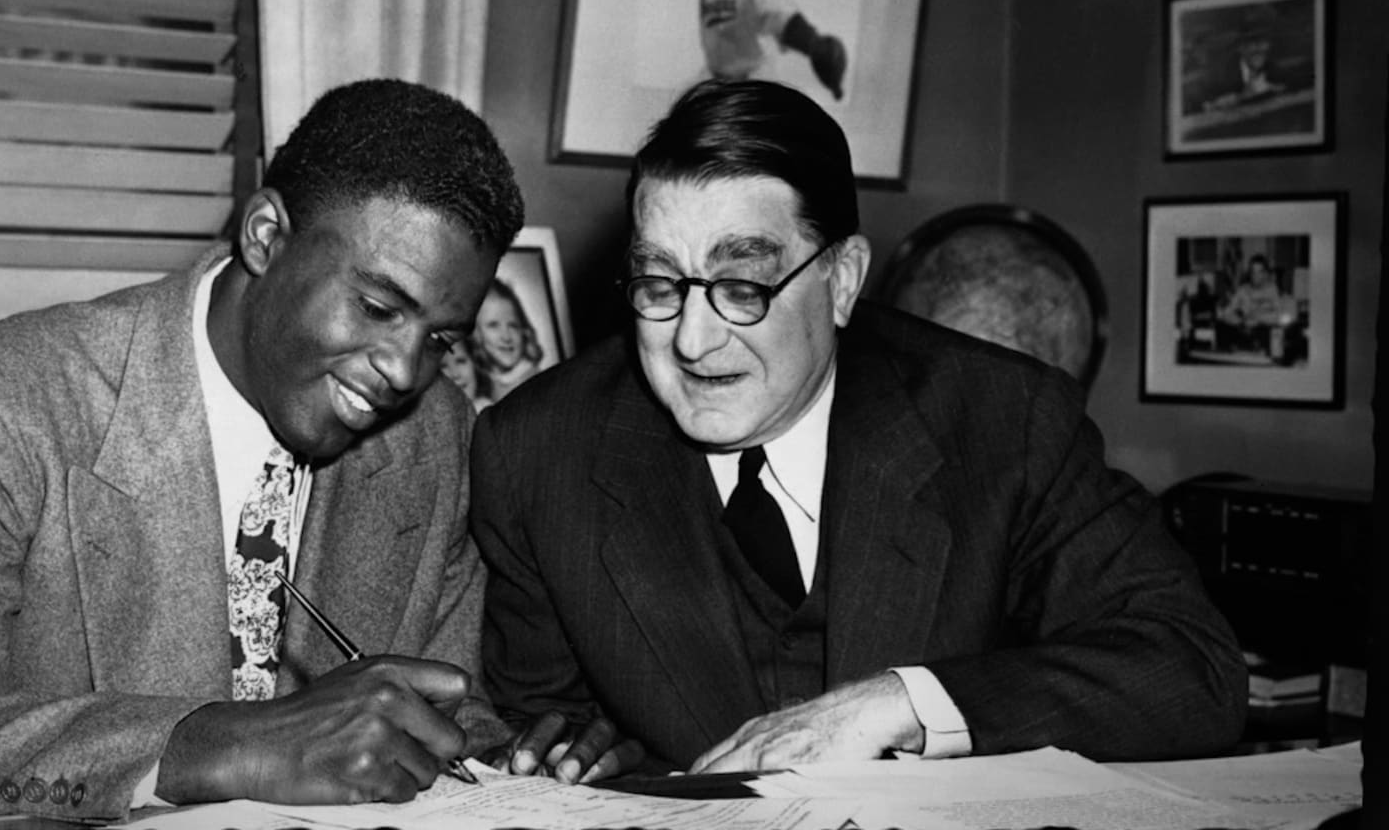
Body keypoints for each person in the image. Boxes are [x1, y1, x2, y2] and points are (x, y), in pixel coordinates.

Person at [471, 79, 1247, 782]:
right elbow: (547, 727)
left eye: (743, 285)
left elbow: (1192, 668)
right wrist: (577, 752)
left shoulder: (1003, 420)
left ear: (841, 280)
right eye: (660, 284)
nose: (693, 340)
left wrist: (904, 703)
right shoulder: (539, 453)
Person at [0, 79, 525, 828]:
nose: (405, 372)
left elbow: (458, 725)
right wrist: (219, 745)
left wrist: (536, 756)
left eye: (438, 340)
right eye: (376, 307)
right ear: (265, 236)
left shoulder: (435, 436)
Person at [663, 0, 848, 100]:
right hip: (716, 78)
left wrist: (814, 45)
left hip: (752, 79)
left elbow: (786, 22)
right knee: (683, 105)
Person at [470, 277, 544, 404]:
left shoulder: (532, 380)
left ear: (523, 331)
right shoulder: (482, 379)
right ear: (476, 334)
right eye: (493, 325)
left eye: (513, 325)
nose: (506, 336)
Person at [441, 338, 493, 412]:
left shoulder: (489, 413)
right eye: (443, 366)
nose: (455, 374)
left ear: (475, 364)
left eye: (461, 361)